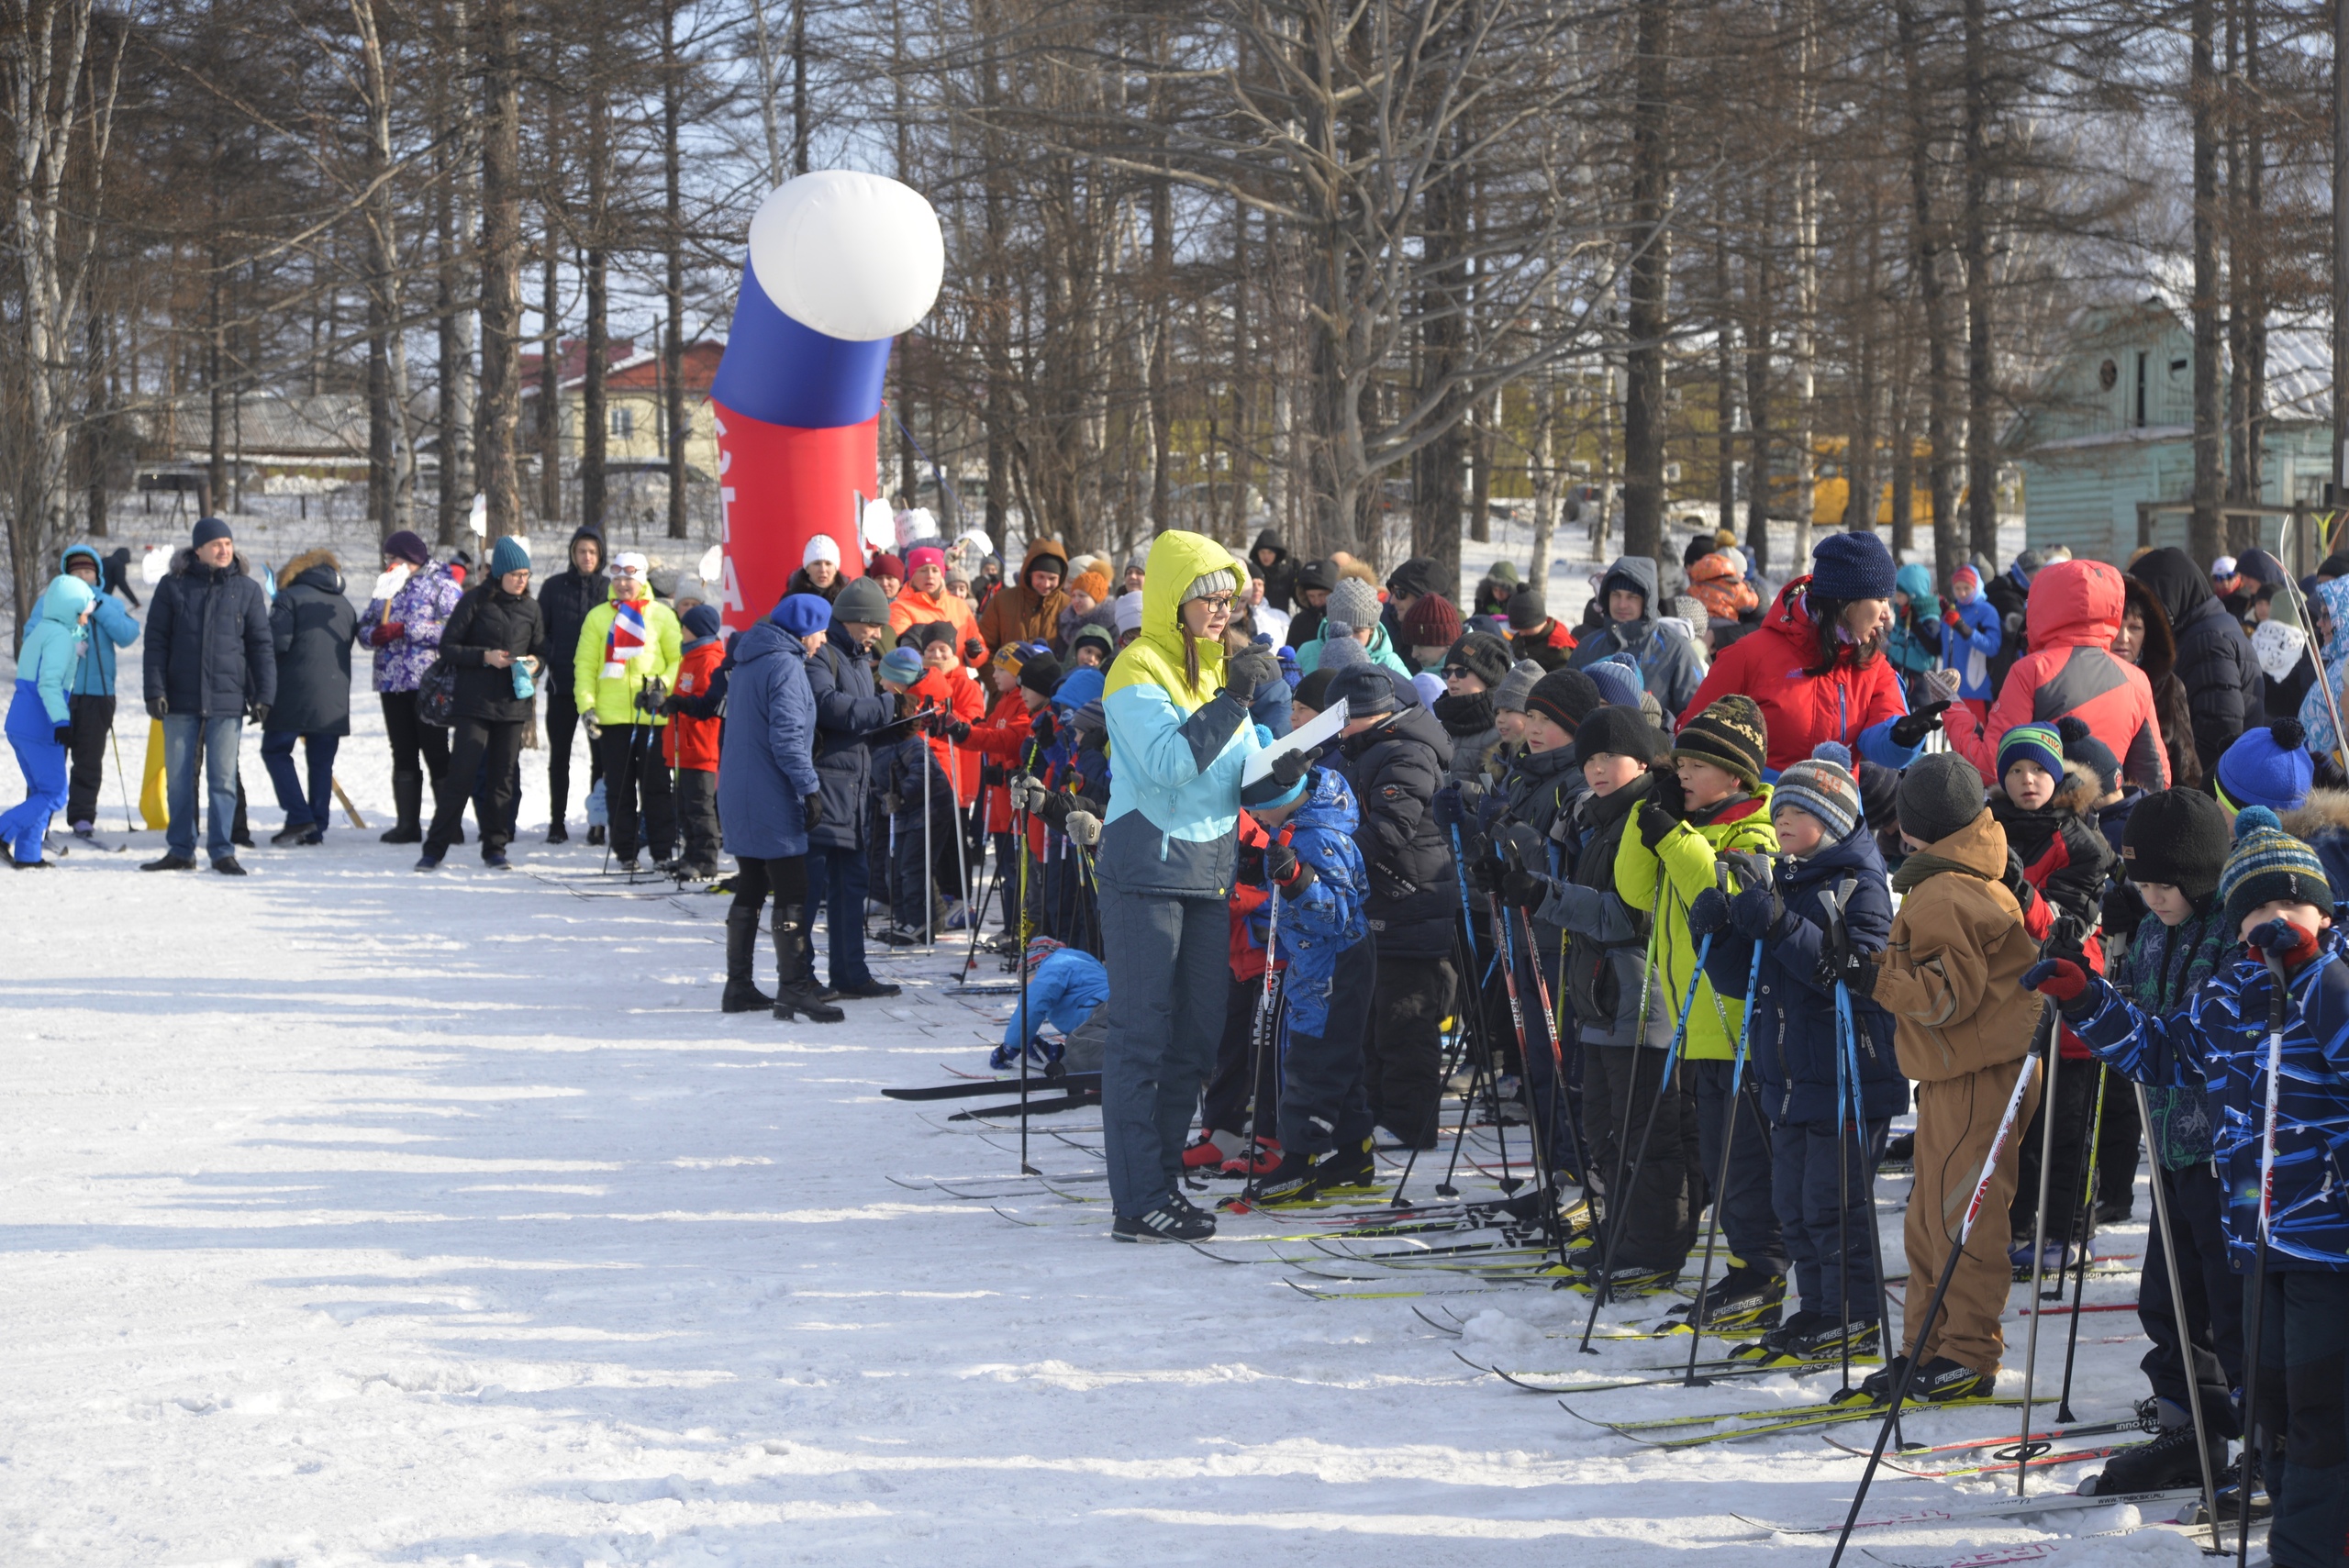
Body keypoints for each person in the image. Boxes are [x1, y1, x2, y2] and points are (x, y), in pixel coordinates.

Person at [2033, 810, 2349, 1567]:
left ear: (2324, 913)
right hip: (2255, 1246)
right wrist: (2088, 1000)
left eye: (2290, 909)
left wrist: (2310, 969)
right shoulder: (2231, 989)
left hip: (2327, 1248)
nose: (2274, 924)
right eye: (2257, 912)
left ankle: (2312, 1549)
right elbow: (2163, 1050)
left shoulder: (2335, 979)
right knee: (2265, 1405)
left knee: (2322, 1413)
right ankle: (2293, 1535)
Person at [1829, 753, 2045, 1405]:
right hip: (1958, 1070)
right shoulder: (1951, 878)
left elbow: (1948, 995)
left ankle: (1968, 1350)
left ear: (1916, 826)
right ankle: (1927, 1344)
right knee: (1929, 1218)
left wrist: (1873, 976)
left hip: (1981, 1071)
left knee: (1963, 1218)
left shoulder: (1950, 890)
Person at [1698, 740, 1905, 1363]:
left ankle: (1853, 1314)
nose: (1780, 819)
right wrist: (1720, 933)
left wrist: (1781, 924)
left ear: (1836, 819)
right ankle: (1815, 1309)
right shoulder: (1784, 877)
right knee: (1792, 1204)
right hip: (1787, 1077)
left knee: (1832, 1206)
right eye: (1778, 809)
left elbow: (1850, 970)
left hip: (1847, 1072)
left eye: (1798, 811)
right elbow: (1747, 980)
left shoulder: (1859, 886)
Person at [1097, 530, 1272, 1240]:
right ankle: (1137, 1198)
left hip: (1207, 870)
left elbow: (1250, 772)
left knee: (1196, 1039)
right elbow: (1170, 764)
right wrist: (1232, 700)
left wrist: (1300, 763)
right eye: (1208, 595)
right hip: (1146, 868)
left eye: (1228, 597)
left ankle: (1162, 1176)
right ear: (1175, 599)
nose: (1220, 609)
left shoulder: (1217, 670)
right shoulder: (1135, 667)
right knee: (1143, 1034)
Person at [2071, 787, 2240, 1497]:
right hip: (2168, 1144)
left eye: (2164, 884)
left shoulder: (2232, 935)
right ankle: (2186, 1425)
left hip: (2227, 1155)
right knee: (2167, 1298)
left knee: (2230, 1305)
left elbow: (2186, 1044)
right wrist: (2089, 992)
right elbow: (2135, 1007)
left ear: (2199, 875)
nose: (2152, 896)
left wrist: (2106, 1012)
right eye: (2140, 883)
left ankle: (2266, 1434)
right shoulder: (2151, 931)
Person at [1611, 693, 1784, 1306]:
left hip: (1736, 1022)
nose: (1681, 773)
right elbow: (1635, 891)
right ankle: (1744, 1262)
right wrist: (1648, 821)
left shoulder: (1756, 828)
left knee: (1745, 1158)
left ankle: (1760, 1267)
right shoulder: (1691, 827)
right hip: (1695, 1023)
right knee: (1719, 1154)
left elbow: (1726, 901)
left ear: (1735, 774)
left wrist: (1676, 837)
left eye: (1696, 766)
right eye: (1679, 764)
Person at [1681, 531, 1942, 776]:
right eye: (1880, 600)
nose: (1887, 614)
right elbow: (1690, 737)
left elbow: (1879, 740)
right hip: (1763, 818)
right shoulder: (1749, 656)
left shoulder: (1872, 665)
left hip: (1838, 816)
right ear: (1844, 602)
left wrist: (1899, 736)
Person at [1242, 739, 1379, 1204]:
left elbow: (1333, 914)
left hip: (1333, 961)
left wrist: (1296, 880)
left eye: (1260, 811)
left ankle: (1299, 1161)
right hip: (1318, 959)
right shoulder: (1305, 822)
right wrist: (1263, 868)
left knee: (1313, 1057)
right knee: (1337, 1054)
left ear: (1280, 801)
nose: (1257, 821)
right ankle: (1354, 1148)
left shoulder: (1315, 836)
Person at [1326, 662, 1456, 1149]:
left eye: (1345, 716)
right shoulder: (1360, 748)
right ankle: (1377, 1110)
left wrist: (1329, 860)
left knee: (1404, 1021)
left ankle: (1409, 1120)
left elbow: (1389, 828)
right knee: (1371, 1020)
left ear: (1375, 713)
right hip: (1376, 902)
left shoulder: (1406, 751)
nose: (1337, 726)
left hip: (1409, 901)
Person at [716, 592, 841, 1023]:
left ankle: (739, 986)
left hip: (738, 788)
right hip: (771, 791)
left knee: (752, 881)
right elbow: (786, 738)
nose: (823, 641)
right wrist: (809, 789)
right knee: (792, 888)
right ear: (804, 628)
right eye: (820, 631)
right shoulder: (786, 665)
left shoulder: (750, 659)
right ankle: (795, 988)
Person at [1948, 557, 2170, 795]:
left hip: (2045, 822)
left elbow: (1990, 767)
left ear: (2043, 602)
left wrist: (1951, 705)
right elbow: (2155, 776)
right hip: (2111, 819)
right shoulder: (2136, 679)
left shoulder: (2031, 670)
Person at [141, 517, 274, 875]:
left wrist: (264, 694)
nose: (223, 549)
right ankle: (181, 850)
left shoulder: (246, 589)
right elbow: (155, 642)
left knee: (223, 780)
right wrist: (154, 690)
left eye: (227, 543)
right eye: (215, 544)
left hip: (227, 700)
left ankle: (222, 851)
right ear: (197, 550)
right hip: (179, 699)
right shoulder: (173, 587)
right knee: (180, 779)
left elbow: (261, 645)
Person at [796, 578, 901, 1003]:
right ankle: (800, 976)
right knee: (808, 892)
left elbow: (861, 721)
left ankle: (851, 973)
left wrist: (897, 724)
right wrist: (887, 707)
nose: (878, 634)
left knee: (851, 887)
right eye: (874, 625)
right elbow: (827, 707)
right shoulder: (822, 655)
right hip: (823, 790)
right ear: (854, 620)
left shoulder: (859, 659)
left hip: (855, 792)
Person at [417, 537, 544, 871]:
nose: (521, 580)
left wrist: (535, 663)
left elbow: (544, 651)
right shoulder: (474, 600)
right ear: (499, 573)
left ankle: (495, 847)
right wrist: (484, 657)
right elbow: (448, 647)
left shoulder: (531, 608)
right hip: (474, 703)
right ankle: (435, 848)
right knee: (461, 776)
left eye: (526, 575)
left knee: (503, 779)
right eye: (516, 574)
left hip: (514, 705)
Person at [572, 552, 682, 873]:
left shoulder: (662, 615)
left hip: (651, 715)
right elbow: (586, 665)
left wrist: (662, 686)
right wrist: (587, 706)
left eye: (629, 578)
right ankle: (625, 852)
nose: (622, 584)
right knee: (619, 788)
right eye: (617, 578)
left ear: (642, 580)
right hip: (612, 717)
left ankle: (662, 850)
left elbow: (678, 659)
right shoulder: (598, 617)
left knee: (657, 787)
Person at [360, 529, 462, 845]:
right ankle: (407, 824)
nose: (389, 563)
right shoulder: (386, 586)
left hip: (428, 681)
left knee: (435, 750)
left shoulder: (441, 585)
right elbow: (365, 625)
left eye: (395, 558)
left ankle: (448, 825)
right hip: (392, 680)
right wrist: (371, 635)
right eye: (387, 559)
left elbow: (454, 629)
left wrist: (407, 629)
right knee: (402, 751)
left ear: (411, 558)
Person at [2127, 547, 2260, 770]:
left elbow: (2220, 732)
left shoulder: (2207, 641)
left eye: (2150, 603)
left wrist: (2195, 793)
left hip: (2217, 787)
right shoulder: (2207, 627)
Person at [262, 549, 357, 847]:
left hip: (293, 690)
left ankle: (299, 816)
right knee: (321, 762)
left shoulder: (288, 599)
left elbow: (276, 644)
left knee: (275, 751)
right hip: (334, 698)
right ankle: (315, 826)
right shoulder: (344, 604)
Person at [2, 572, 94, 867]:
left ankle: (29, 854)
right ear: (72, 609)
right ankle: (3, 829)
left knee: (41, 792)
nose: (86, 620)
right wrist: (61, 722)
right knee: (55, 793)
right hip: (41, 725)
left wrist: (75, 649)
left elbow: (47, 664)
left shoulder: (43, 630)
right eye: (84, 614)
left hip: (21, 722)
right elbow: (49, 684)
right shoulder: (59, 639)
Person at [55, 544, 139, 838]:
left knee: (88, 760)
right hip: (59, 694)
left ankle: (82, 816)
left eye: (88, 571)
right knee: (51, 757)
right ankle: (39, 814)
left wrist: (99, 610)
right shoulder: (52, 604)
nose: (82, 576)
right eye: (76, 571)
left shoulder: (109, 604)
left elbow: (128, 635)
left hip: (98, 693)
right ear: (66, 575)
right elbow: (33, 638)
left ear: (97, 575)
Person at [536, 525, 607, 843]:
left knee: (602, 759)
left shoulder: (610, 588)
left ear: (600, 555)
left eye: (592, 551)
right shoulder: (553, 588)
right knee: (559, 757)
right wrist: (552, 657)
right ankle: (556, 822)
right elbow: (539, 632)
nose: (587, 557)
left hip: (600, 691)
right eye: (581, 551)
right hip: (562, 687)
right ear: (572, 553)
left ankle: (598, 822)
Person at [1568, 556, 1705, 717]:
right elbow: (1567, 704)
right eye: (1616, 595)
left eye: (1632, 597)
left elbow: (1695, 714)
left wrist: (1663, 734)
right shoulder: (1587, 647)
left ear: (1647, 601)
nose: (1622, 604)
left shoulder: (1675, 650)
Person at [2114, 573, 2202, 791]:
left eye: (2134, 627)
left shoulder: (2168, 686)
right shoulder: (2089, 682)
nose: (2123, 637)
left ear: (2147, 635)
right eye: (2116, 625)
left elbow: (2188, 771)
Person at [662, 604, 732, 878]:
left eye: (686, 627)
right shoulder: (690, 656)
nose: (682, 631)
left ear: (698, 630)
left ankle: (705, 859)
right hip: (685, 745)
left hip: (701, 745)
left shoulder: (710, 659)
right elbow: (684, 694)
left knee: (701, 806)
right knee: (685, 805)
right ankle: (691, 854)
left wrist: (685, 704)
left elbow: (708, 702)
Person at [996, 938, 1111, 1069]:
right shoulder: (1078, 968)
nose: (1028, 989)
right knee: (1069, 1063)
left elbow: (1032, 1004)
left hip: (1107, 1009)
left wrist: (1012, 1044)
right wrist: (1057, 1053)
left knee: (1078, 1046)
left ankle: (1134, 1060)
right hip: (1112, 1013)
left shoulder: (1054, 964)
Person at [1433, 631, 1510, 790]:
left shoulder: (1504, 731)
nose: (1452, 679)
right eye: (1447, 672)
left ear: (1489, 677)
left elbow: (1504, 799)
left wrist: (1459, 792)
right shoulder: (1440, 726)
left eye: (1461, 672)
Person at [888, 543, 984, 661]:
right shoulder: (899, 608)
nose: (930, 576)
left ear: (942, 575)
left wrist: (973, 654)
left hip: (959, 677)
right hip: (923, 677)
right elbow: (903, 654)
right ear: (912, 576)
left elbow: (981, 648)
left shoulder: (959, 605)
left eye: (935, 570)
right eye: (923, 570)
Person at [977, 539, 1070, 654]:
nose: (1046, 584)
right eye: (1040, 577)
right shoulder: (1002, 601)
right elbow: (984, 647)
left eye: (1052, 579)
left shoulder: (1068, 606)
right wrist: (998, 671)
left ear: (1060, 578)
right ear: (1030, 573)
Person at [1938, 564, 2004, 726]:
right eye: (1957, 588)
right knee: (1956, 743)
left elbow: (1993, 646)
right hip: (1952, 690)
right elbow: (1941, 646)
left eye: (1967, 588)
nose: (1961, 593)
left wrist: (1963, 628)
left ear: (1976, 587)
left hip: (1977, 689)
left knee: (1976, 741)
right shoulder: (1953, 610)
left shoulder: (1986, 611)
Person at [1504, 588, 1577, 671]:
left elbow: (1560, 681)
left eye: (1524, 628)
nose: (1521, 633)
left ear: (1535, 621)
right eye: (1517, 628)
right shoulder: (1520, 638)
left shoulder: (1560, 650)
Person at [1400, 593, 1462, 674]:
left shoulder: (1473, 677)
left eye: (1420, 645)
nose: (1413, 654)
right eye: (1412, 646)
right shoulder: (1422, 679)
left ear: (1447, 640)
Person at [1285, 559, 1334, 650]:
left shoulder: (1342, 619)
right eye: (1311, 596)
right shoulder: (1299, 622)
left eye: (1321, 595)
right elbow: (1290, 657)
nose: (1316, 601)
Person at [1250, 527, 1296, 612]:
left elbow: (1299, 597)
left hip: (1280, 620)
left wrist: (1300, 576)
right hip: (1254, 619)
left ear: (1277, 554)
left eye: (1270, 552)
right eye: (1262, 552)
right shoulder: (1251, 572)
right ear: (1257, 553)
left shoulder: (1287, 573)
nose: (1266, 556)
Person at [788, 533, 844, 603]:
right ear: (807, 568)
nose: (823, 570)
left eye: (828, 564)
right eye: (817, 564)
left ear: (836, 569)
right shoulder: (792, 600)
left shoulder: (847, 599)